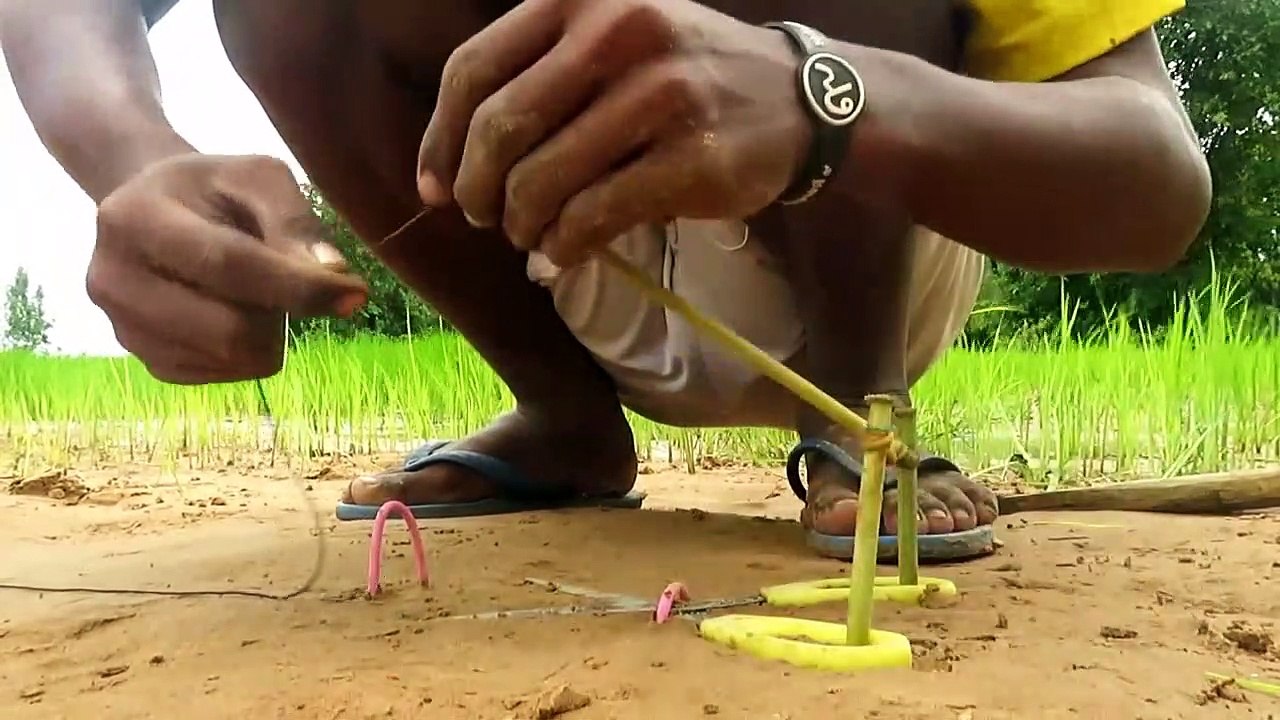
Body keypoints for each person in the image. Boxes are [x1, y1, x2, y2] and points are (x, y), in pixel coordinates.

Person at [2, 0, 1210, 561]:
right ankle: (566, 419)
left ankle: (858, 412)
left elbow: (1155, 176)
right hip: (562, 249)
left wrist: (814, 97)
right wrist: (136, 163)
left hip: (868, 199)